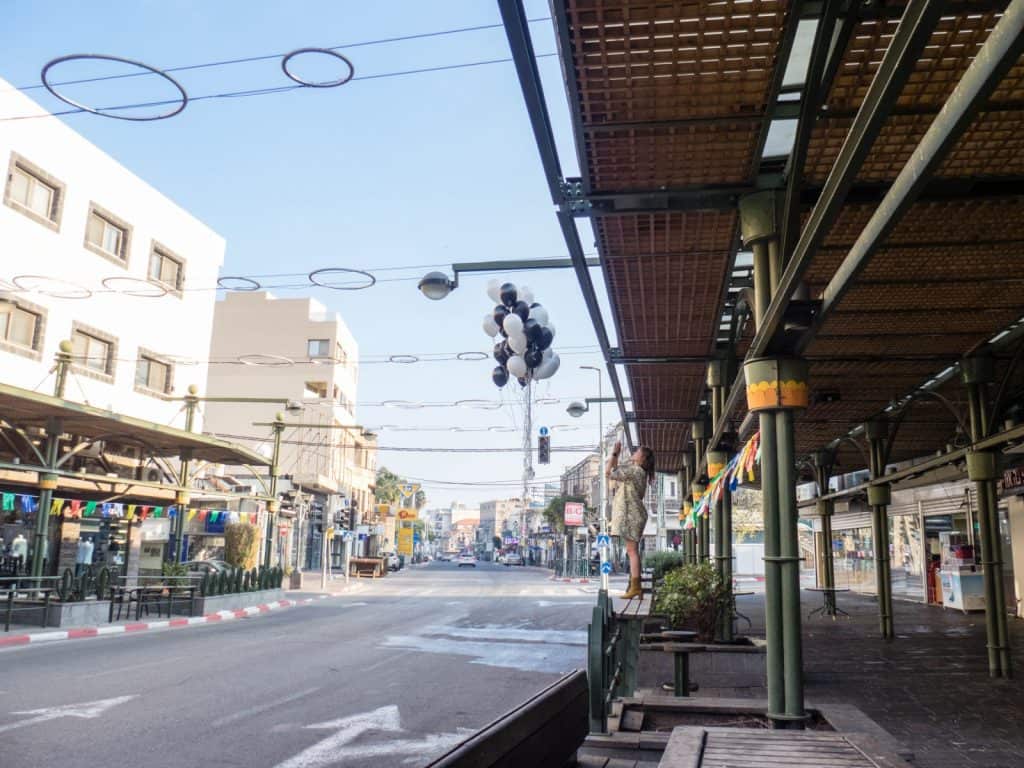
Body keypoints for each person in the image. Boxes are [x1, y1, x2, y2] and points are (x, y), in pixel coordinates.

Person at [606, 441, 656, 599]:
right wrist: (616, 454)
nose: (634, 452)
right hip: (634, 515)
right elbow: (614, 470)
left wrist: (615, 454)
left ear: (643, 458)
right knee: (631, 551)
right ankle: (635, 587)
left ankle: (636, 587)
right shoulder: (637, 471)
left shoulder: (635, 470)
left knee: (632, 552)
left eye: (638, 451)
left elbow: (609, 472)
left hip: (632, 515)